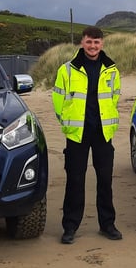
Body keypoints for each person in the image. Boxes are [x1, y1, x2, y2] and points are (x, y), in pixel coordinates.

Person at [52, 26, 122, 244]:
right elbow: (58, 100)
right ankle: (70, 226)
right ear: (82, 43)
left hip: (103, 132)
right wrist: (67, 123)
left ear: (102, 44)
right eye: (89, 42)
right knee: (75, 180)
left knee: (105, 181)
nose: (93, 46)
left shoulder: (111, 69)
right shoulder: (67, 70)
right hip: (77, 134)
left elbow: (115, 97)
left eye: (97, 42)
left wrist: (108, 121)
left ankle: (107, 224)